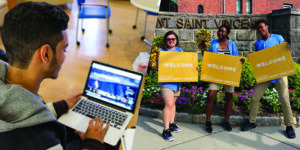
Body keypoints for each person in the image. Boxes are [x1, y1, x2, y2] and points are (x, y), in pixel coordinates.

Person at [0, 2, 109, 149]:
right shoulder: (44, 143)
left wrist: (60, 106)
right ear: (45, 54)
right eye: (64, 49)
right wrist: (92, 143)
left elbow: (20, 113)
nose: (64, 57)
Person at [241, 19, 296, 139]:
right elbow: (259, 60)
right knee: (255, 98)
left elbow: (285, 53)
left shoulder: (278, 38)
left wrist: (287, 47)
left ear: (267, 27)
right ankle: (252, 122)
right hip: (265, 76)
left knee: (284, 99)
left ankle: (289, 125)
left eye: (262, 27)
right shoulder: (258, 43)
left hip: (279, 74)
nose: (260, 30)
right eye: (258, 29)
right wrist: (253, 60)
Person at [205, 25, 242, 133]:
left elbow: (236, 58)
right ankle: (208, 121)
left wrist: (240, 61)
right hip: (215, 74)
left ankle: (226, 121)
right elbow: (207, 56)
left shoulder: (232, 44)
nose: (220, 33)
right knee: (210, 96)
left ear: (227, 33)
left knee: (229, 97)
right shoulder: (212, 43)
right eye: (219, 31)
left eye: (223, 31)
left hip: (228, 74)